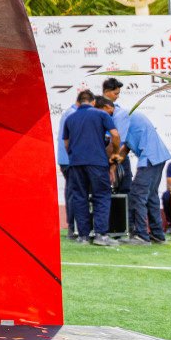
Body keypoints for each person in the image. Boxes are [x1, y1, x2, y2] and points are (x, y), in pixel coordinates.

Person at [63, 95, 120, 246]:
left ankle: (83, 236)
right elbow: (115, 134)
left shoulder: (70, 118)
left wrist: (74, 156)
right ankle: (101, 235)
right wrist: (115, 152)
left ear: (79, 102)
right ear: (94, 102)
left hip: (76, 163)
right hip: (97, 162)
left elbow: (67, 144)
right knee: (101, 196)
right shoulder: (101, 114)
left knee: (79, 197)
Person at [119, 102, 170, 245]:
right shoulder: (128, 117)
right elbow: (125, 148)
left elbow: (117, 143)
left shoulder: (119, 117)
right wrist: (115, 161)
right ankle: (158, 235)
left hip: (149, 157)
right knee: (151, 196)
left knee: (137, 194)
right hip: (157, 156)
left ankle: (140, 235)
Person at [58, 89, 94, 242]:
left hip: (68, 158)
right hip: (71, 159)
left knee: (73, 192)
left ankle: (74, 227)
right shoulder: (74, 114)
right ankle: (72, 228)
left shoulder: (70, 113)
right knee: (74, 193)